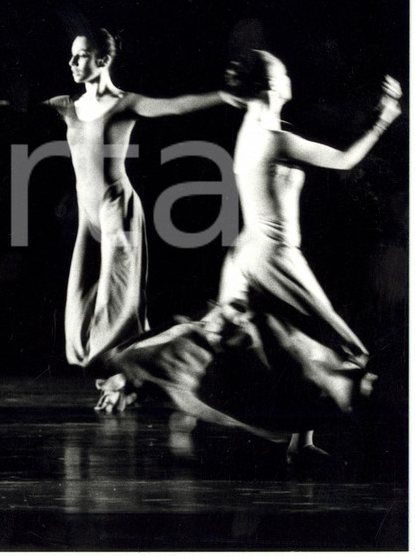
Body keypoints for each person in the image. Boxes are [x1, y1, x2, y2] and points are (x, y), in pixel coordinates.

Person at [100, 51, 401, 464]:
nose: (290, 76)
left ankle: (298, 441)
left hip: (247, 255)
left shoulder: (255, 128)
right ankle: (147, 375)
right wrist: (384, 117)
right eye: (284, 72)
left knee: (285, 346)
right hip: (272, 258)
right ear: (273, 86)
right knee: (340, 348)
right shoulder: (275, 138)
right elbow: (345, 160)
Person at [0, 28, 240, 379]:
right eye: (72, 56)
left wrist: (225, 96)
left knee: (121, 306)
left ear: (103, 60)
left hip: (117, 210)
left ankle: (131, 371)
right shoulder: (67, 106)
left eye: (81, 56)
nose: (72, 63)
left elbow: (177, 106)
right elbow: (16, 113)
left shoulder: (125, 104)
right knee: (79, 306)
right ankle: (119, 366)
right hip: (88, 216)